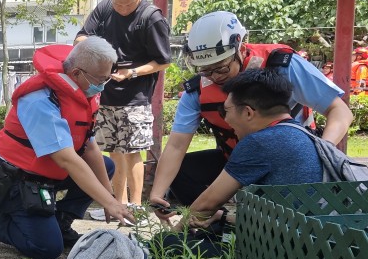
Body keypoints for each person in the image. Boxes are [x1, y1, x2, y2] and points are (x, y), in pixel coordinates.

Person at [150, 11, 352, 213]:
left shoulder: (282, 66)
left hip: (288, 160)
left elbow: (340, 112)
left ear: (241, 48)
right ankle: (217, 224)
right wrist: (157, 195)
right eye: (205, 71)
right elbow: (176, 145)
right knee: (183, 172)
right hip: (240, 158)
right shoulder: (197, 91)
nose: (214, 77)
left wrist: (321, 155)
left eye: (220, 68)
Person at [0, 38, 134, 259]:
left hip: (49, 174)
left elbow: (90, 147)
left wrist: (109, 198)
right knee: (46, 249)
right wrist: (109, 203)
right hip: (16, 180)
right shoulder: (40, 99)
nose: (103, 85)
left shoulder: (83, 92)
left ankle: (60, 221)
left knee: (105, 165)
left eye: (107, 78)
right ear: (76, 73)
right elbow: (66, 159)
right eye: (101, 79)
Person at [157, 68, 323, 258]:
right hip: (306, 243)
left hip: (277, 256)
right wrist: (223, 216)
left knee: (166, 243)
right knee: (213, 230)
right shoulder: (301, 133)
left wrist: (176, 232)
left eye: (225, 111)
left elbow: (207, 203)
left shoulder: (258, 142)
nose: (225, 119)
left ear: (248, 112)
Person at [75, 0, 171, 212]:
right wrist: (90, 51)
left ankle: (136, 205)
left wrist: (133, 72)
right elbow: (81, 36)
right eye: (118, 3)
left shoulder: (151, 18)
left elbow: (163, 61)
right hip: (106, 92)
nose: (123, 8)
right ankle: (118, 204)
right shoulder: (105, 9)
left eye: (129, 3)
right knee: (114, 152)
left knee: (133, 151)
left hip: (136, 96)